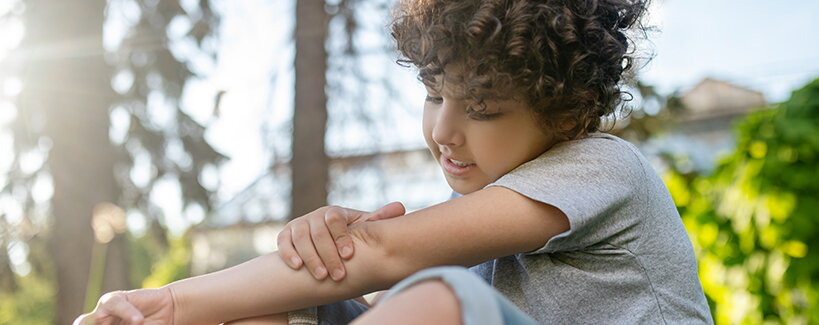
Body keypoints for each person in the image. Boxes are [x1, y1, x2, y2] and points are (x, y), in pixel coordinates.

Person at [75, 0, 713, 324]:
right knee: (280, 306)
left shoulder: (604, 168)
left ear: (567, 109)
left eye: (483, 109)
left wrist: (168, 301)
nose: (443, 130)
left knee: (445, 300)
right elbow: (366, 265)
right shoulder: (493, 213)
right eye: (435, 94)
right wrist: (326, 251)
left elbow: (386, 253)